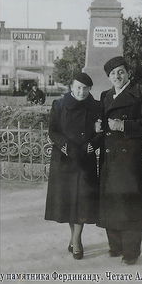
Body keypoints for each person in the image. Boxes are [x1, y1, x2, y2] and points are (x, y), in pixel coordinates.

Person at [98, 56, 142, 265]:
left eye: (121, 72)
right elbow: (100, 123)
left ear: (128, 73)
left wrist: (124, 126)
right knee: (111, 201)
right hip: (109, 158)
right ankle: (115, 246)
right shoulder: (105, 96)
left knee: (130, 204)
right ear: (108, 77)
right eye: (113, 73)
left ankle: (131, 252)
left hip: (131, 159)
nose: (117, 76)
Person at [44, 73, 101, 260]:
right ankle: (74, 239)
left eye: (85, 88)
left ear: (90, 89)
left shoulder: (96, 106)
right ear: (71, 86)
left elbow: (103, 131)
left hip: (86, 159)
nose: (81, 91)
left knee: (82, 202)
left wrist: (93, 144)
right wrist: (66, 146)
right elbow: (53, 131)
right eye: (78, 87)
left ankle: (76, 241)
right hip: (65, 159)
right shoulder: (59, 105)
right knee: (70, 203)